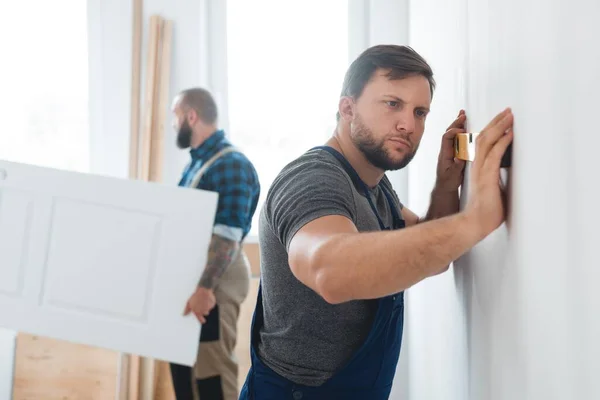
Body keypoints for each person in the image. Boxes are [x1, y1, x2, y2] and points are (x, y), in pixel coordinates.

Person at [239, 45, 513, 399]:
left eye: (420, 112)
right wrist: (478, 219)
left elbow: (432, 252)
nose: (408, 125)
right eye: (392, 104)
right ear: (347, 107)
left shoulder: (376, 187)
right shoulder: (312, 180)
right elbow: (330, 270)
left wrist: (448, 185)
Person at [169, 87, 260, 400]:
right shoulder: (196, 163)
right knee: (185, 369)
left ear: (191, 116)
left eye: (175, 116)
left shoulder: (231, 164)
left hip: (216, 282)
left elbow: (228, 234)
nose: (173, 124)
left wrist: (205, 289)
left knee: (210, 372)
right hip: (195, 281)